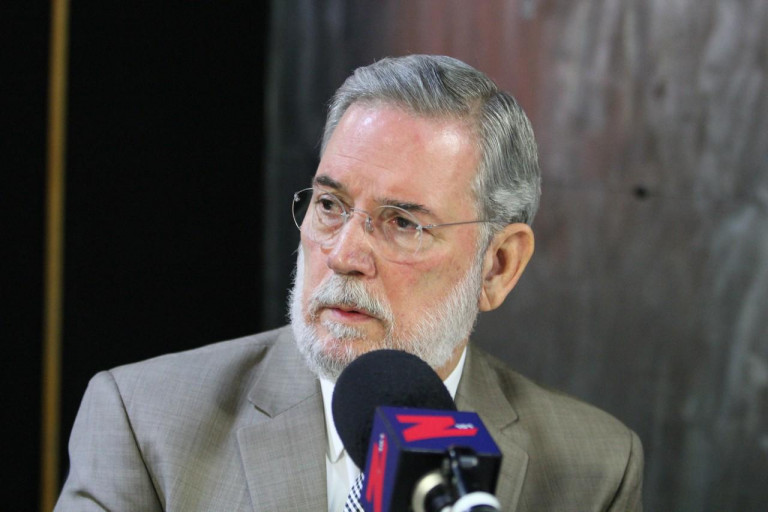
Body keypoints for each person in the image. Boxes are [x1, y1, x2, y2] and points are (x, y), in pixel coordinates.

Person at [55, 55, 643, 511]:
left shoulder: (594, 468)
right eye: (330, 205)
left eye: (403, 223)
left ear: (498, 266)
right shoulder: (145, 424)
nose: (343, 256)